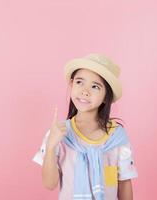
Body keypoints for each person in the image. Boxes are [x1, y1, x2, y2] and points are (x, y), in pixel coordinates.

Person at [32, 53, 138, 200]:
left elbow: (124, 183)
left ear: (106, 97)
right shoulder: (59, 133)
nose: (85, 91)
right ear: (71, 84)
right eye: (79, 82)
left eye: (95, 86)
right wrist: (51, 146)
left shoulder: (116, 138)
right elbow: (49, 184)